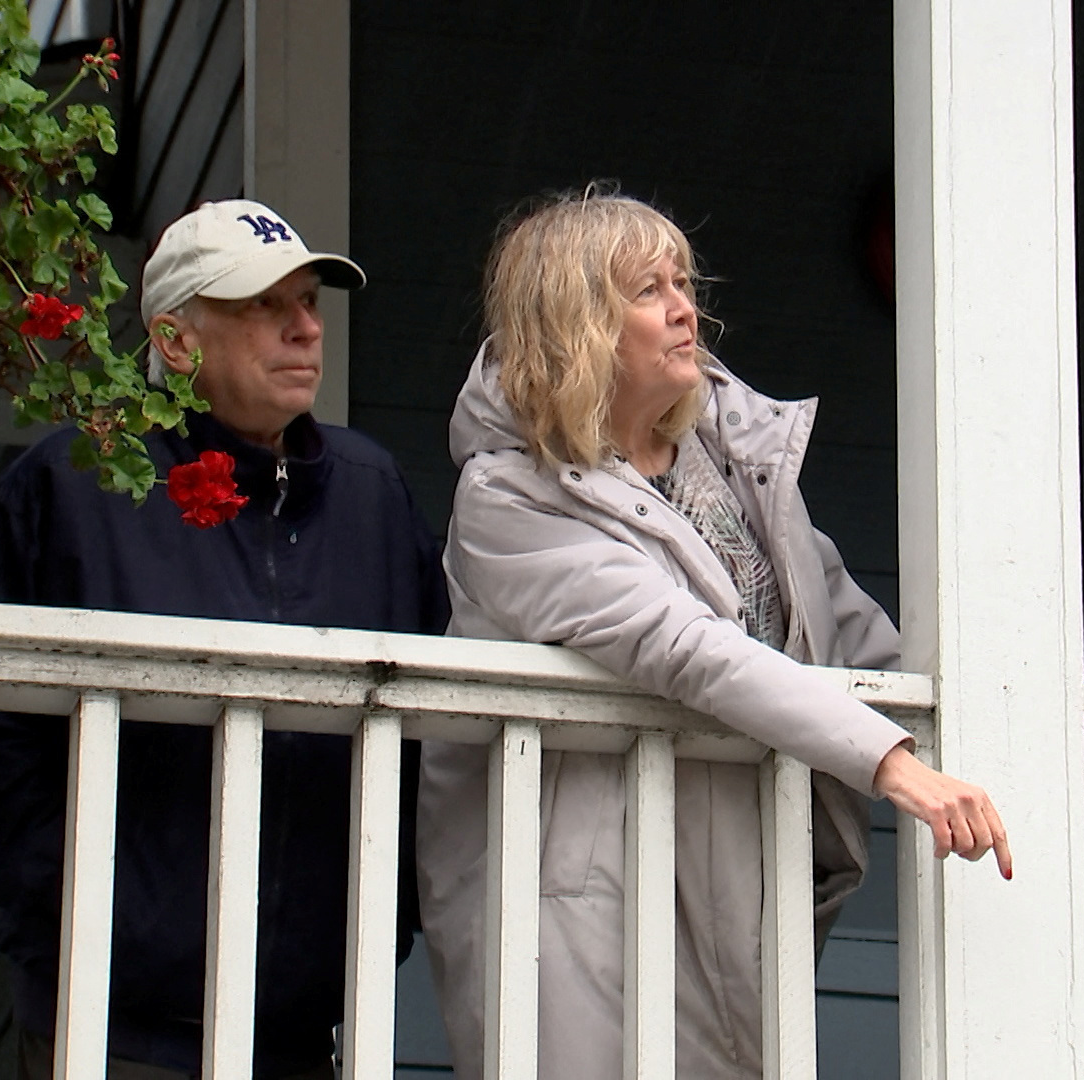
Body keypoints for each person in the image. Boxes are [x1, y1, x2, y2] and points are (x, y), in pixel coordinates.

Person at [416, 190, 1010, 1080]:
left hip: (734, 882)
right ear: (576, 322)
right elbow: (680, 644)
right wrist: (892, 765)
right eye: (648, 290)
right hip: (581, 905)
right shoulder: (508, 497)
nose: (686, 307)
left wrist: (994, 743)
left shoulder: (730, 460)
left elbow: (845, 627)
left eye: (683, 282)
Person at [0, 199, 449, 1079]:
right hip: (108, 1030)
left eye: (310, 303)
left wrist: (383, 913)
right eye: (265, 305)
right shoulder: (72, 487)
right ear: (177, 342)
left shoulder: (373, 495)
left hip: (302, 1035)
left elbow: (435, 740)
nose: (303, 329)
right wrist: (103, 909)